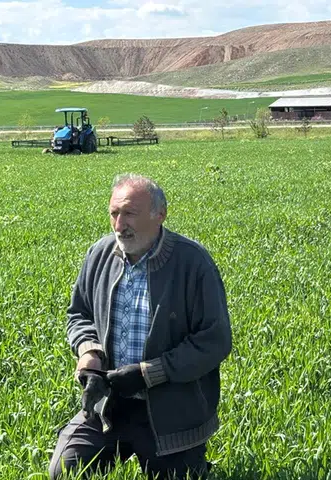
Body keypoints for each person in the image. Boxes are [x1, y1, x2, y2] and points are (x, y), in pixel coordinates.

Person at [49, 173, 232, 480]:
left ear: (160, 215)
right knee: (65, 473)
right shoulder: (100, 254)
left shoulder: (193, 263)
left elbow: (214, 341)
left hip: (170, 412)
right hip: (109, 404)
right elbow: (79, 314)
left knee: (180, 476)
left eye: (130, 214)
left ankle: (190, 458)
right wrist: (90, 355)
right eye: (114, 214)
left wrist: (148, 374)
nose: (120, 225)